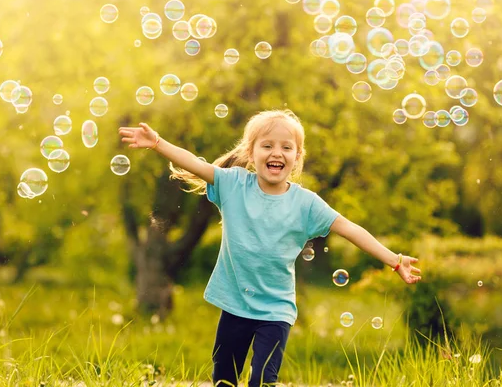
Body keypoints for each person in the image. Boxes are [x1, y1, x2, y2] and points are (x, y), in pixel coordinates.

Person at [118, 109, 422, 387]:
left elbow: (351, 229)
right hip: (235, 304)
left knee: (263, 380)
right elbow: (195, 164)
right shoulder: (234, 185)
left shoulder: (306, 204)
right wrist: (157, 142)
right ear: (251, 153)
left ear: (297, 157)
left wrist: (394, 260)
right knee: (224, 379)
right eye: (267, 145)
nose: (277, 152)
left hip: (275, 311)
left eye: (286, 147)